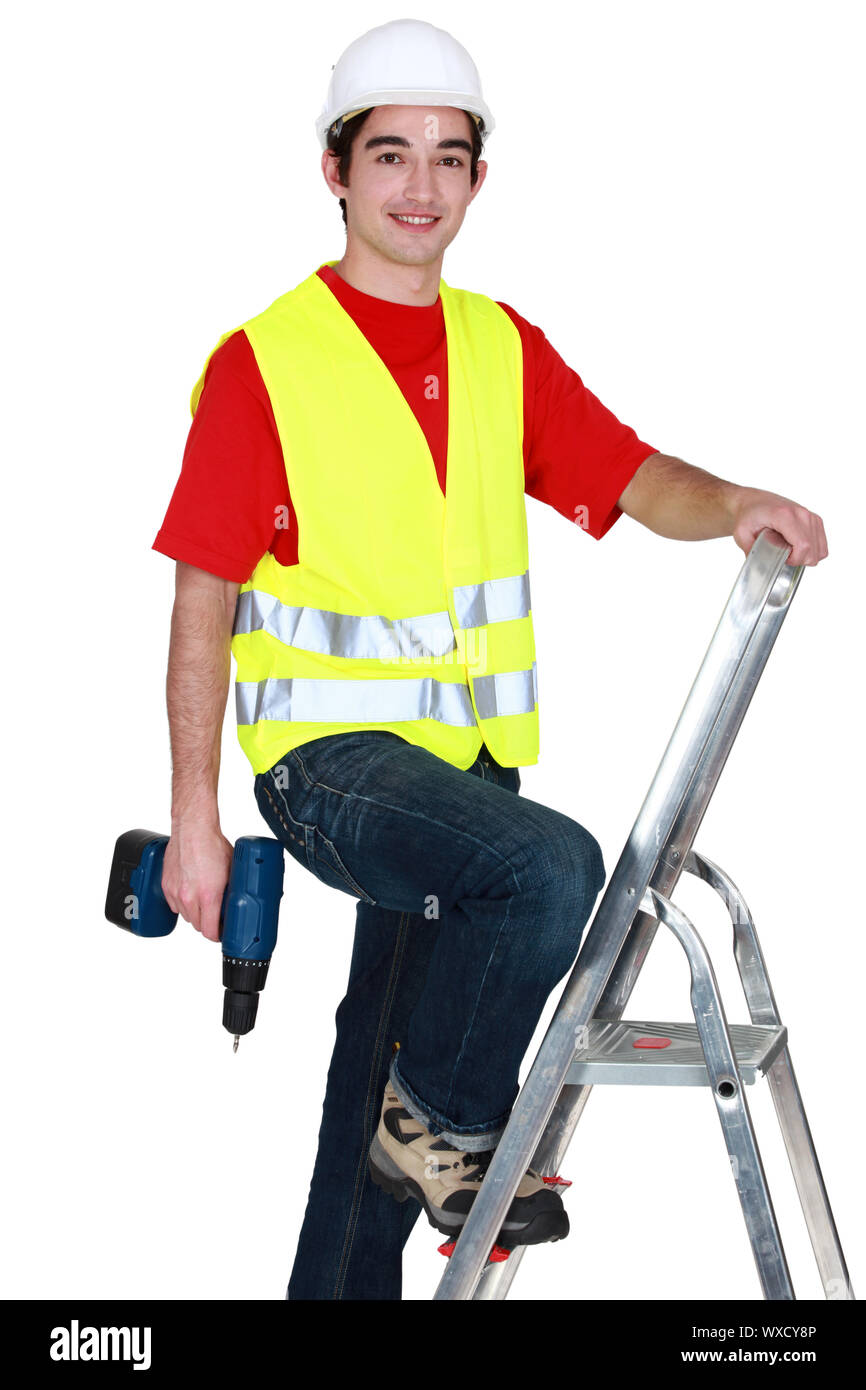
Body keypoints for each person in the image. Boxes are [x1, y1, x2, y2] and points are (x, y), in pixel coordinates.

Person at [152, 19, 828, 1301]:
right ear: (335, 172)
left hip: (461, 771)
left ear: (476, 179)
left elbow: (631, 476)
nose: (418, 188)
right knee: (551, 871)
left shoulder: (497, 347)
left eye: (446, 159)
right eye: (390, 156)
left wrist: (735, 497)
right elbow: (202, 598)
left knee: (376, 1080)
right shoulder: (266, 365)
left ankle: (390, 1181)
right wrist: (196, 816)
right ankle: (446, 1128)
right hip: (328, 769)